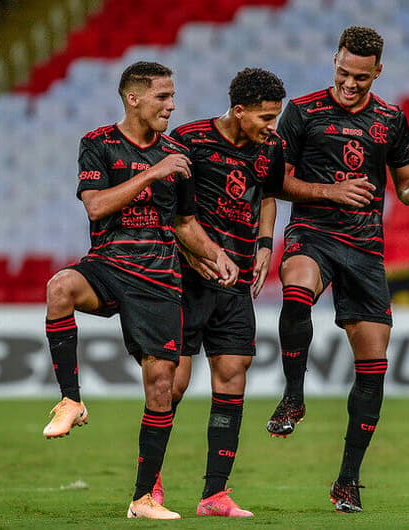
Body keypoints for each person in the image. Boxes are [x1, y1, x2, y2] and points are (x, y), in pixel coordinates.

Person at [43, 61, 238, 519]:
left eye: (172, 96)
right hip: (109, 266)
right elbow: (95, 207)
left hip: (158, 281)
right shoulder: (99, 145)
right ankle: (71, 399)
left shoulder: (176, 155)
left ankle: (143, 498)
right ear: (133, 98)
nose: (171, 105)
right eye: (162, 97)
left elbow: (184, 224)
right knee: (60, 287)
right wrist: (152, 174)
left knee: (161, 388)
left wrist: (214, 254)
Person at [266, 26, 409, 512]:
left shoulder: (391, 119)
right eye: (344, 73)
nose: (351, 84)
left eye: (362, 77)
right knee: (296, 291)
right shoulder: (302, 112)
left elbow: (405, 188)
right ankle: (293, 396)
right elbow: (277, 180)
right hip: (314, 233)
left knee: (373, 367)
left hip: (366, 248)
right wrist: (330, 192)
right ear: (335, 62)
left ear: (378, 72)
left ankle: (347, 480)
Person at [157, 67, 286, 517]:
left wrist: (267, 243)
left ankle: (214, 494)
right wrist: (189, 253)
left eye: (277, 117)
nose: (273, 126)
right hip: (185, 278)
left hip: (237, 279)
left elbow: (269, 195)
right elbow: (164, 207)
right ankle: (150, 485)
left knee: (233, 374)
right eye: (266, 117)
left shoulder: (270, 147)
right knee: (171, 383)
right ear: (238, 110)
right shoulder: (189, 140)